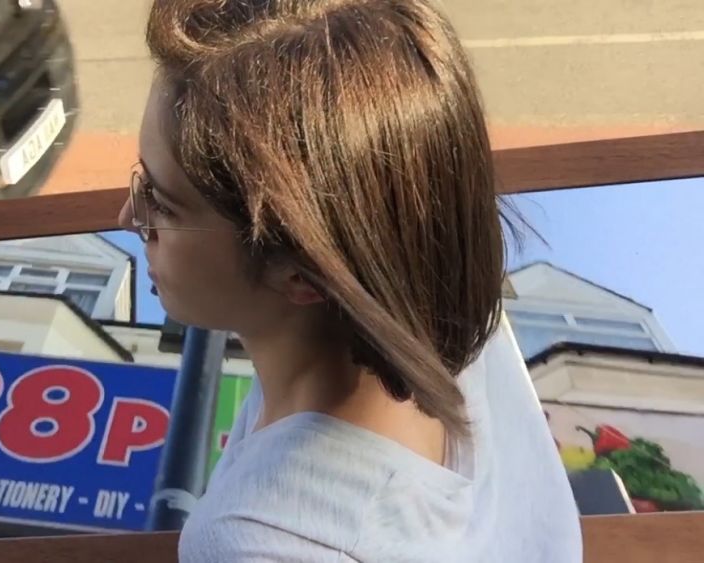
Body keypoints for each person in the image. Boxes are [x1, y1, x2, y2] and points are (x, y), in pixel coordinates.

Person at [118, 0, 583, 561]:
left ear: (303, 273)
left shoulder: (259, 539)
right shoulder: (429, 302)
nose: (128, 218)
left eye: (160, 204)